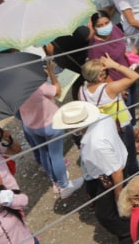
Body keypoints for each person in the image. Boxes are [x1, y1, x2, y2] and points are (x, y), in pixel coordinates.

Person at [52, 99, 132, 244]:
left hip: (110, 175)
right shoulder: (102, 117)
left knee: (106, 214)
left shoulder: (95, 144)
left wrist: (118, 196)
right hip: (117, 160)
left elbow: (116, 172)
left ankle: (128, 233)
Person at [18, 56, 84, 200]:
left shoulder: (14, 89)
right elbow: (57, 91)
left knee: (44, 152)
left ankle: (55, 181)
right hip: (50, 124)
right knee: (56, 155)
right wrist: (52, 74)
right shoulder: (37, 86)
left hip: (30, 125)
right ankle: (64, 185)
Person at [79, 55, 139, 173]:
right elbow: (135, 76)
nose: (107, 73)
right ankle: (134, 178)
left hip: (102, 130)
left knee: (115, 158)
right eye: (105, 71)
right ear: (99, 76)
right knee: (130, 157)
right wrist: (115, 65)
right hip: (121, 126)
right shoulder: (109, 88)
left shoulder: (82, 91)